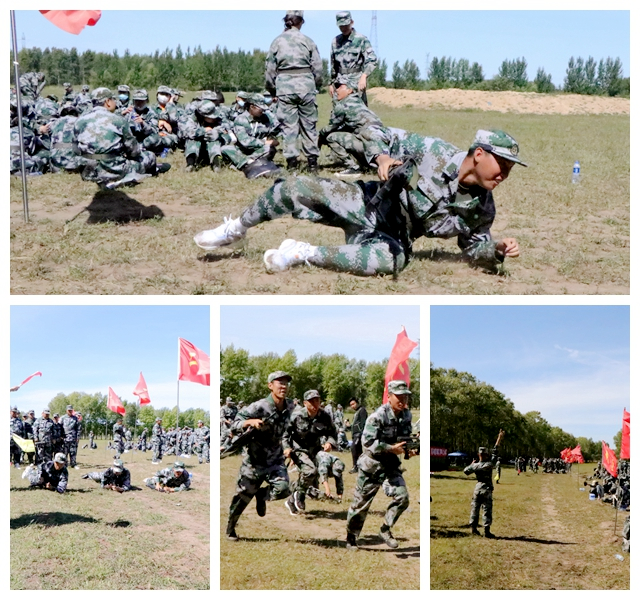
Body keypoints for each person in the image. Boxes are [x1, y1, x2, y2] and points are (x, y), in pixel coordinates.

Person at [193, 129, 525, 277]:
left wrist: (495, 250)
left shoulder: (482, 207)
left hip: (392, 234)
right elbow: (381, 134)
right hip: (364, 200)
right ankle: (235, 229)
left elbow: (474, 248)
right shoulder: (432, 151)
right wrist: (382, 157)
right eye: (502, 164)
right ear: (478, 154)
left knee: (391, 261)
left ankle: (301, 253)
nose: (504, 174)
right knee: (294, 187)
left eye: (510, 169)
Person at [346, 380, 417, 550]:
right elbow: (368, 442)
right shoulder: (377, 416)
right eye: (399, 397)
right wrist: (391, 448)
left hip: (391, 464)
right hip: (372, 465)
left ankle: (385, 529)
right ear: (389, 397)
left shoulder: (406, 415)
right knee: (361, 504)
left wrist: (409, 451)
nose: (403, 400)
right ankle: (351, 537)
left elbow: (404, 439)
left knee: (403, 498)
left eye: (405, 397)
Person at [225, 371, 295, 540]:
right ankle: (230, 528)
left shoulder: (291, 406)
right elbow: (235, 424)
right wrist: (250, 422)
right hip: (254, 462)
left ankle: (261, 495)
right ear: (270, 386)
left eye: (286, 383)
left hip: (275, 460)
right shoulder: (259, 406)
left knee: (284, 488)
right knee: (241, 499)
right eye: (280, 382)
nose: (284, 386)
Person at [74, 87, 168, 189]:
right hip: (113, 170)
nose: (115, 102)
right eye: (113, 99)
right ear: (107, 102)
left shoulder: (80, 121)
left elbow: (74, 148)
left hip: (88, 171)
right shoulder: (118, 120)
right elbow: (134, 152)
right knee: (149, 156)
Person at [265, 10, 323, 172]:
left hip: (285, 87)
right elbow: (318, 67)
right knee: (309, 125)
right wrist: (315, 85)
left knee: (288, 126)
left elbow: (269, 70)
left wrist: (272, 90)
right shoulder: (308, 41)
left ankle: (292, 163)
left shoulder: (277, 42)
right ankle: (312, 163)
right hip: (306, 87)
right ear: (301, 22)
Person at [319, 77, 390, 177]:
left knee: (331, 137)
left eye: (340, 87)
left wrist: (320, 136)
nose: (336, 90)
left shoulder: (342, 105)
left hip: (369, 142)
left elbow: (330, 128)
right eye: (336, 87)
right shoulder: (359, 102)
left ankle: (353, 168)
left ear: (350, 90)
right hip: (382, 142)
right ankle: (370, 164)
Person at [283, 389, 338, 515]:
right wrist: (286, 448)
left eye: (317, 401)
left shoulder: (324, 416)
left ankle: (292, 500)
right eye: (311, 401)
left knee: (311, 477)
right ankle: (299, 495)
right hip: (298, 449)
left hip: (314, 450)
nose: (315, 404)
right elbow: (285, 434)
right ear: (305, 403)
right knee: (310, 471)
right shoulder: (296, 415)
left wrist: (329, 442)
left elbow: (332, 432)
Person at [329, 11, 378, 106]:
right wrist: (331, 83)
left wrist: (364, 76)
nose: (343, 28)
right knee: (339, 112)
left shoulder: (361, 39)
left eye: (346, 25)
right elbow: (333, 65)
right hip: (340, 85)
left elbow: (372, 60)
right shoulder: (335, 41)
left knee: (359, 112)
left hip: (356, 83)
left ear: (352, 22)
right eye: (341, 26)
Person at [463, 429, 505, 538]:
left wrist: (472, 464)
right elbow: (495, 451)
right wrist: (499, 438)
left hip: (477, 488)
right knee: (487, 509)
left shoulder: (475, 465)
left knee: (475, 508)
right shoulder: (489, 464)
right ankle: (487, 531)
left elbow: (466, 471)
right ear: (486, 454)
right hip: (486, 488)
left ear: (478, 454)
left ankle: (473, 528)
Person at [349, 397, 368, 473]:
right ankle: (361, 466)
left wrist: (361, 433)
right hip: (355, 434)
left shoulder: (362, 410)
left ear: (357, 403)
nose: (352, 406)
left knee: (353, 448)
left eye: (353, 404)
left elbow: (363, 423)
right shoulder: (357, 412)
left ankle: (355, 466)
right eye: (351, 405)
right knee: (359, 451)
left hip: (359, 434)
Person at [61, 404, 81, 469]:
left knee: (73, 452)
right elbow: (59, 427)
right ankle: (64, 465)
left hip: (73, 438)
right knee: (65, 452)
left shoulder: (75, 418)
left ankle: (73, 464)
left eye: (71, 410)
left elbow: (78, 429)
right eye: (69, 410)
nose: (70, 411)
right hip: (65, 439)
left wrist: (78, 437)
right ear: (66, 410)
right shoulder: (63, 418)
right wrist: (61, 436)